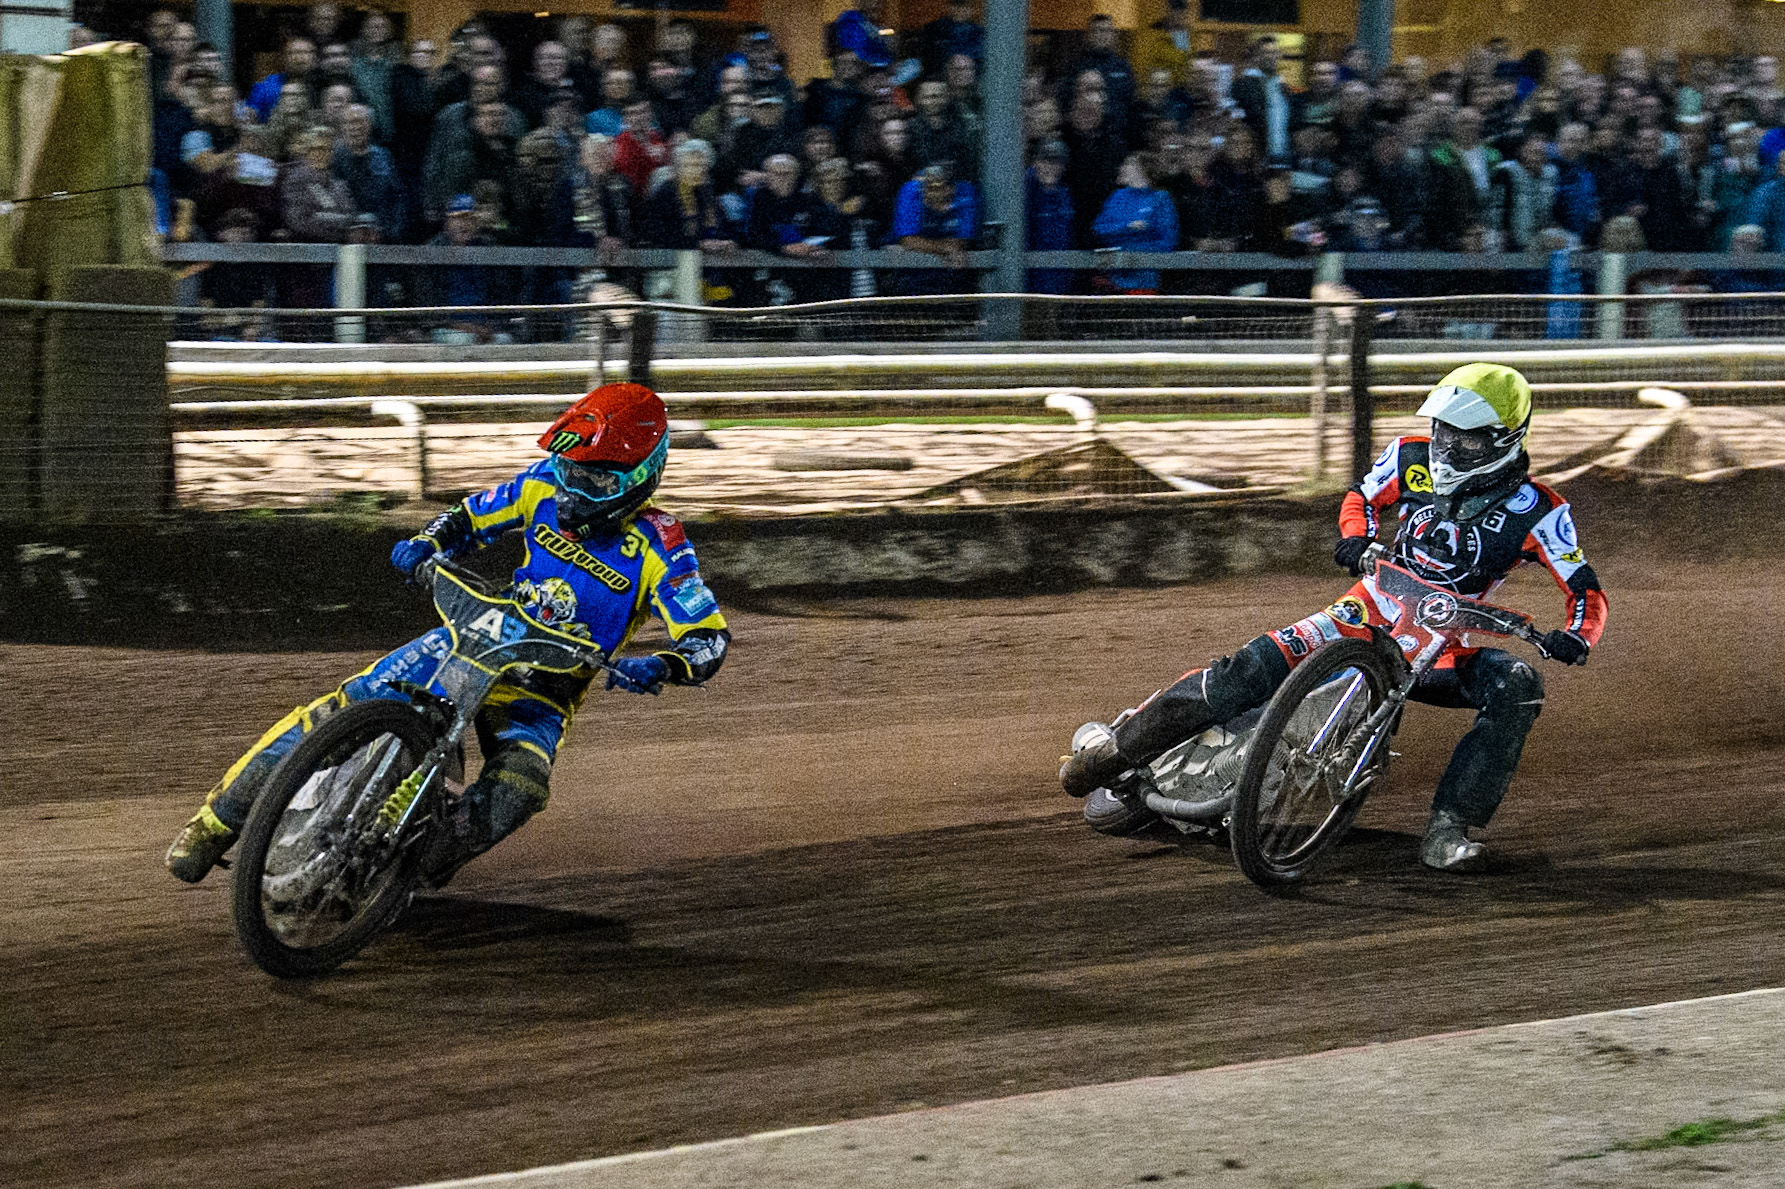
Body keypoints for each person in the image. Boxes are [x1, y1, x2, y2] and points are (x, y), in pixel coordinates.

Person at [166, 383, 731, 885]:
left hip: (544, 688)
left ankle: (406, 870)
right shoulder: (538, 486)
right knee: (341, 710)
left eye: (594, 478)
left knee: (520, 789)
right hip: (476, 636)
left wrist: (664, 664)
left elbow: (708, 635)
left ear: (641, 477)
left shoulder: (663, 546)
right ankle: (214, 824)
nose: (572, 489)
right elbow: (466, 518)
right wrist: (429, 543)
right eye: (567, 469)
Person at [1060, 364, 1609, 872]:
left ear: (1503, 438)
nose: (1445, 445)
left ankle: (1450, 829)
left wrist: (1577, 636)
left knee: (1517, 684)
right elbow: (1362, 496)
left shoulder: (1542, 511)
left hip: (1446, 645)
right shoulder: (1409, 456)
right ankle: (1118, 748)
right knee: (1250, 667)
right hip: (1365, 609)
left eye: (1463, 436)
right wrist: (1356, 538)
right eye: (1442, 430)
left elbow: (1583, 588)